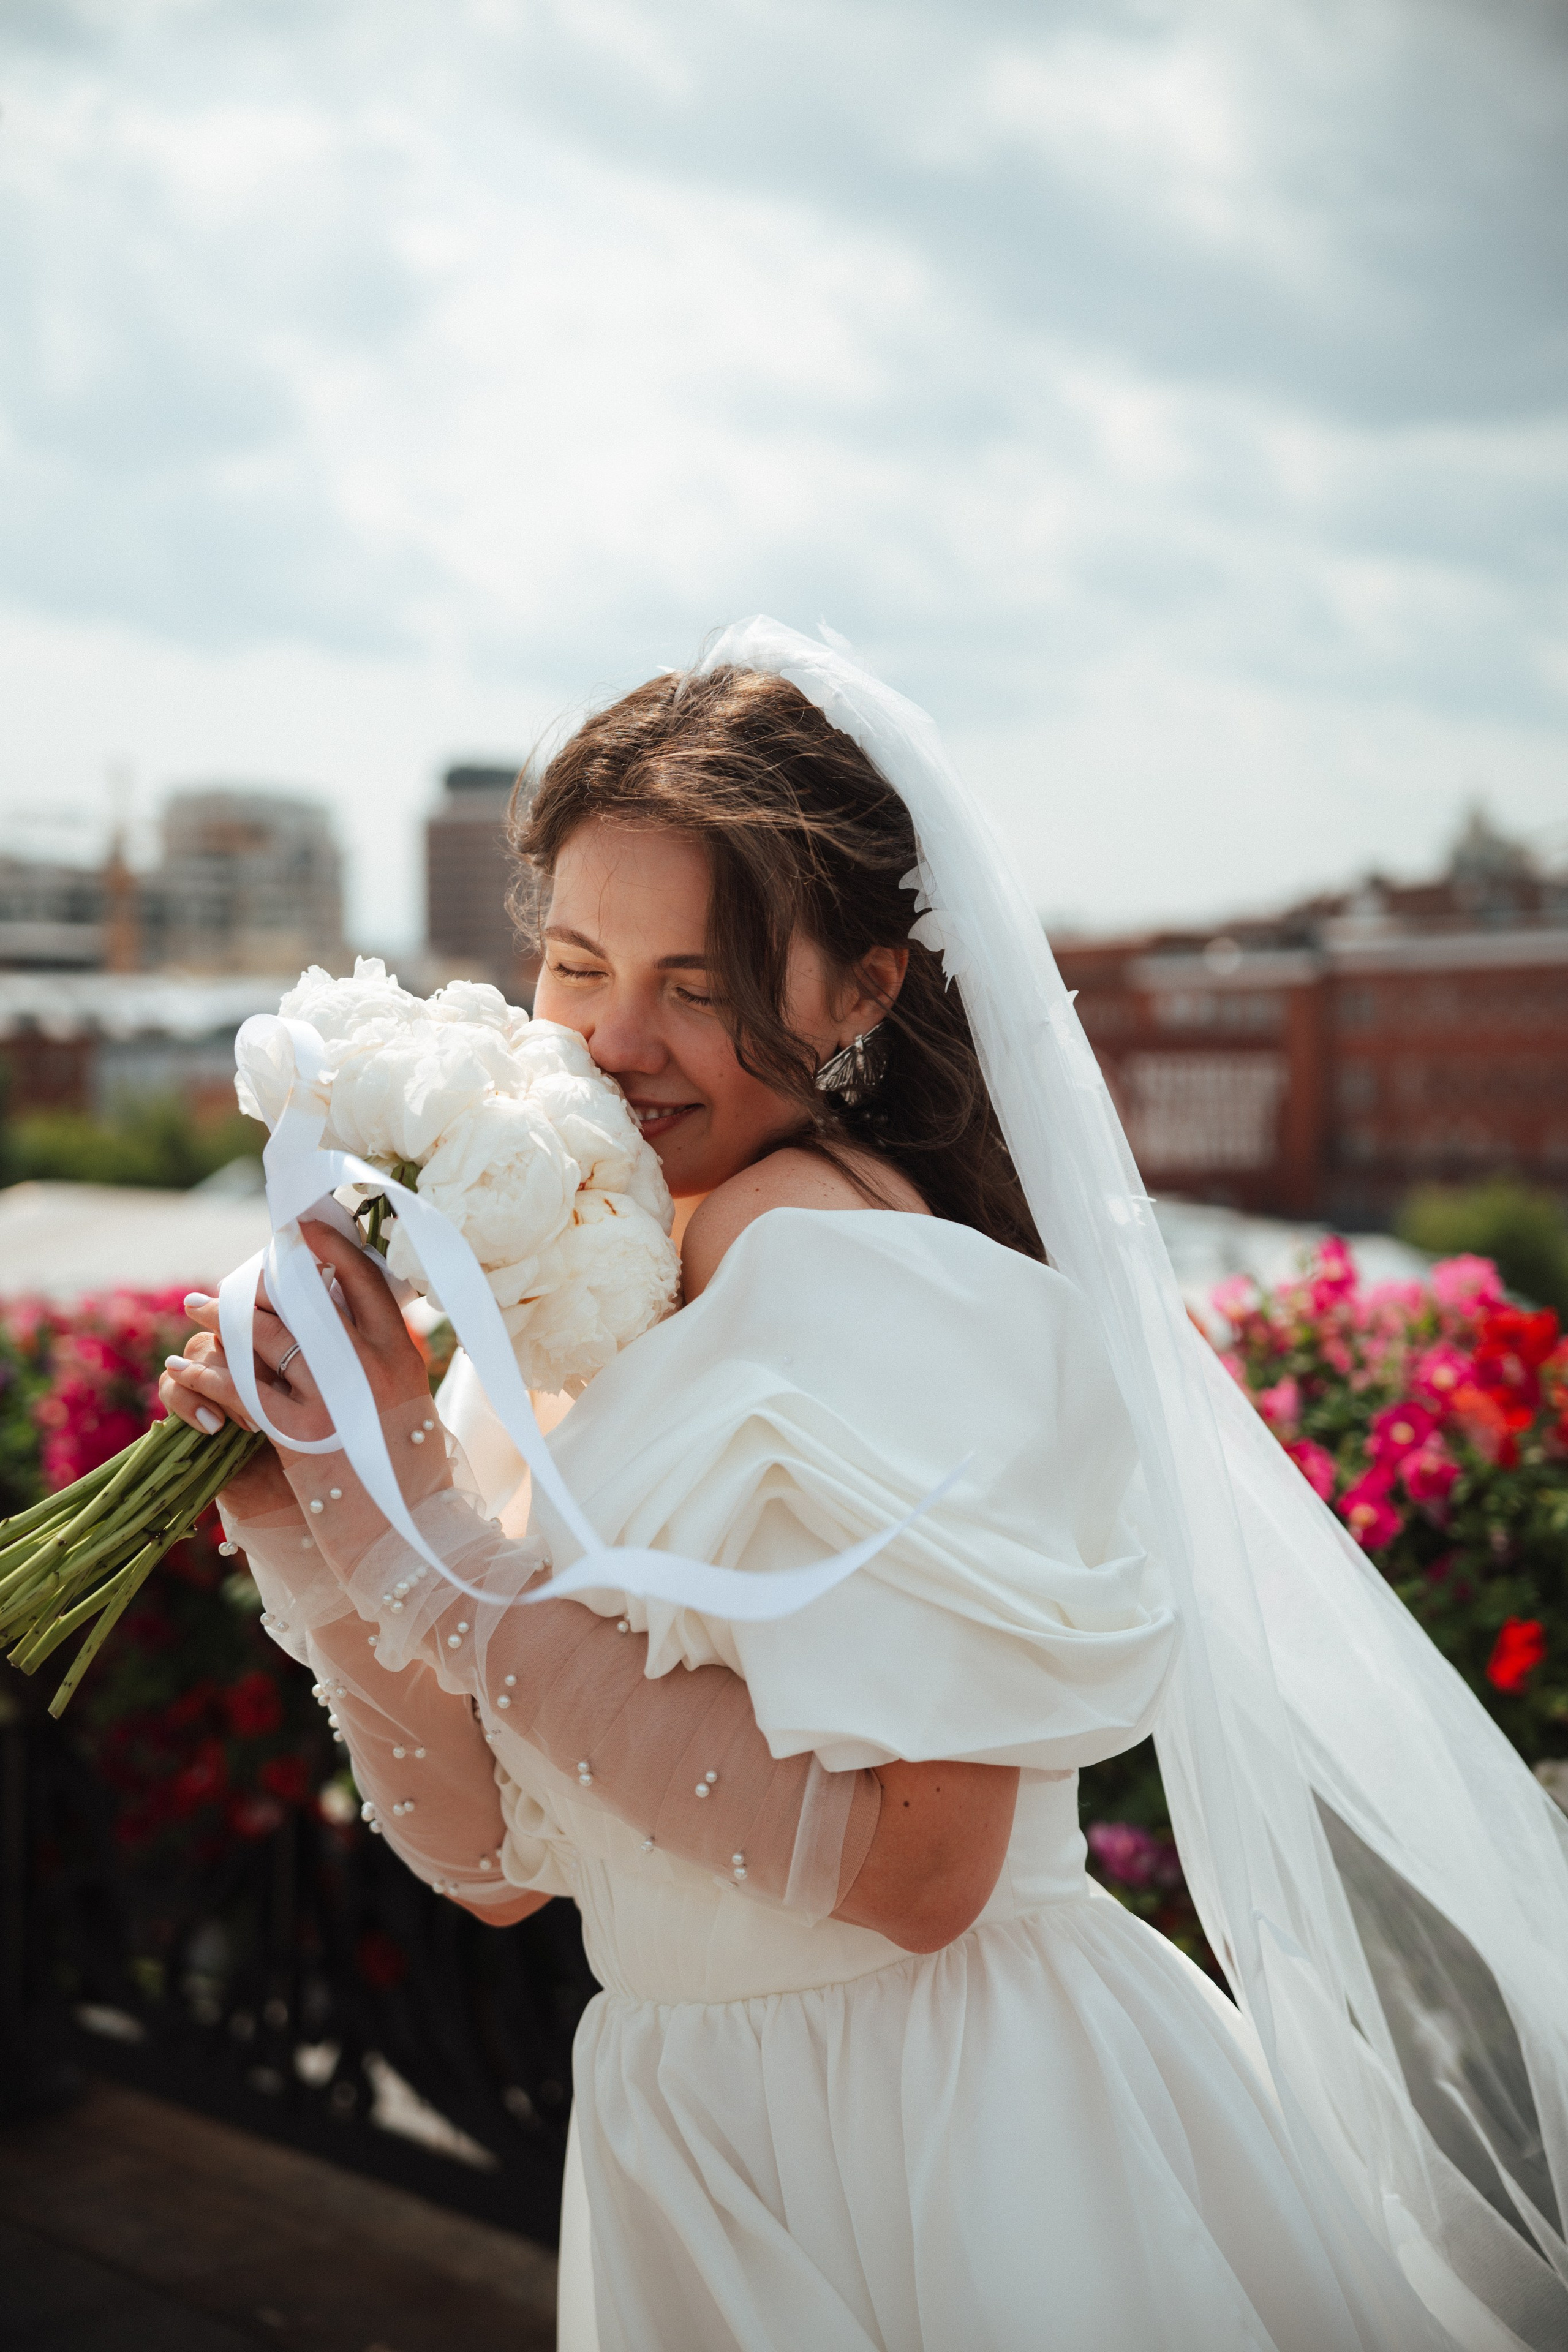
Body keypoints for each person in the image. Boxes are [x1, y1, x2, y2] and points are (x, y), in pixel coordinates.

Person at [161, 625, 1568, 2352]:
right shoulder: (575, 1290)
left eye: (699, 983)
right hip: (688, 2124)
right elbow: (499, 1865)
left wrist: (438, 1555)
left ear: (863, 993)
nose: (617, 1043)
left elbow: (925, 1871)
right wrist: (328, 1524)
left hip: (946, 2134)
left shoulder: (865, 1277)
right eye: (581, 964)